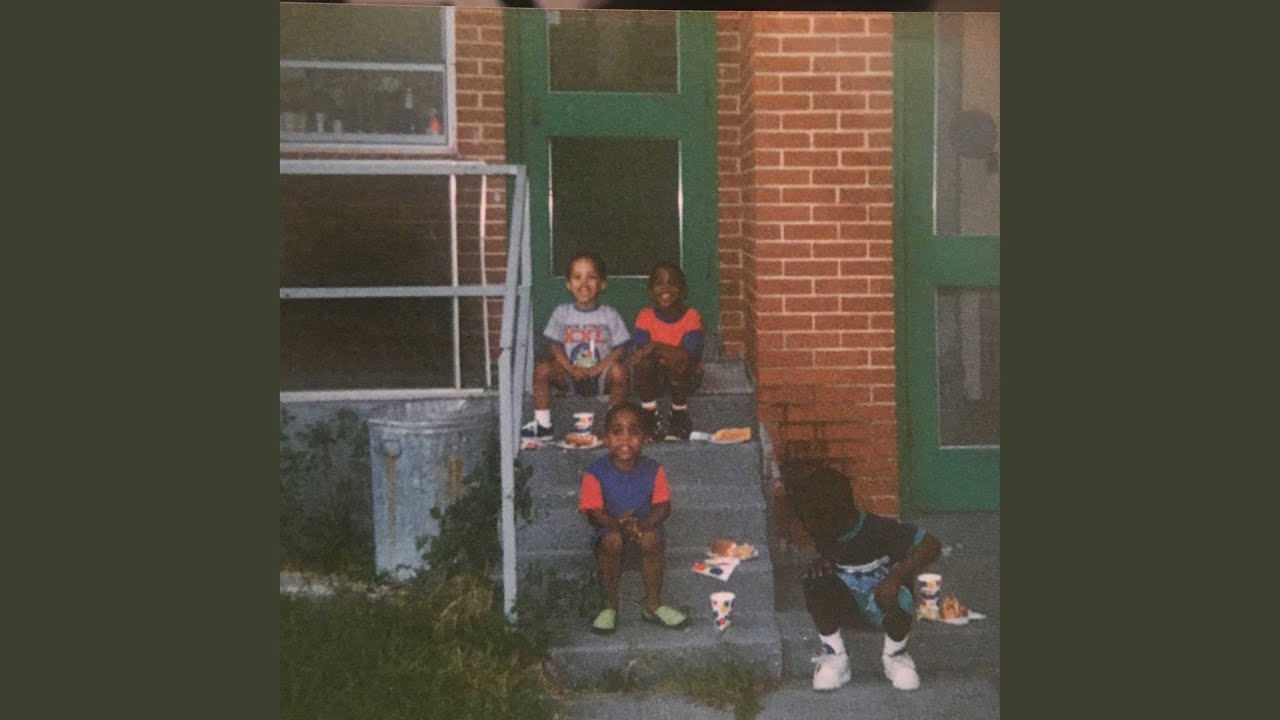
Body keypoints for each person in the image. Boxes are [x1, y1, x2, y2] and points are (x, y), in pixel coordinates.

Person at [784, 464, 942, 692]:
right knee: (814, 581)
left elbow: (932, 545)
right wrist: (824, 563)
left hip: (887, 608)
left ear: (840, 515)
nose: (810, 529)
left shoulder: (879, 530)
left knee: (897, 596)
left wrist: (895, 578)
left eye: (814, 522)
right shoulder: (825, 530)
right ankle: (835, 655)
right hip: (850, 608)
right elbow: (841, 557)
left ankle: (896, 655)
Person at [577, 402, 688, 633]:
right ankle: (609, 606)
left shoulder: (654, 469)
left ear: (645, 438)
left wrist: (641, 525)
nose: (625, 439)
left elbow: (663, 507)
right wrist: (618, 525)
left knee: (651, 539)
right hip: (609, 531)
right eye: (617, 432)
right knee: (612, 540)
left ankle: (653, 604)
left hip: (644, 529)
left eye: (634, 432)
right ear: (606, 438)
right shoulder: (595, 472)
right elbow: (594, 513)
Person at [521, 251, 631, 440]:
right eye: (577, 277)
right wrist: (570, 368)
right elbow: (554, 346)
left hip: (601, 376)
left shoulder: (610, 314)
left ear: (602, 284)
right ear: (568, 284)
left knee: (620, 372)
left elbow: (620, 348)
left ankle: (613, 425)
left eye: (591, 277)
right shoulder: (562, 313)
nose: (584, 283)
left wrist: (599, 368)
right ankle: (543, 425)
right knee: (542, 370)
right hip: (570, 376)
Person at [627, 261, 704, 441]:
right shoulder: (645, 316)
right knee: (644, 364)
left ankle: (679, 414)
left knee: (680, 362)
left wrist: (655, 346)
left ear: (682, 290)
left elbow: (688, 353)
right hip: (655, 378)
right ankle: (649, 414)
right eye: (659, 283)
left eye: (672, 283)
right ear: (651, 291)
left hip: (685, 378)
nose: (666, 289)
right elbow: (641, 351)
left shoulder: (691, 316)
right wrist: (660, 350)